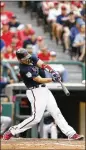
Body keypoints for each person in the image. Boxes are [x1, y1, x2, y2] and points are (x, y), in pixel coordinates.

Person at [3, 48, 84, 140]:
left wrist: (53, 72)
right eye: (25, 58)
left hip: (44, 90)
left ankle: (71, 133)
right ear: (20, 60)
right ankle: (12, 131)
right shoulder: (24, 69)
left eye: (27, 56)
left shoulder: (32, 58)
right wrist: (52, 79)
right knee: (36, 118)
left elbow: (43, 65)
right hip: (35, 92)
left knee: (56, 111)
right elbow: (39, 79)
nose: (27, 59)